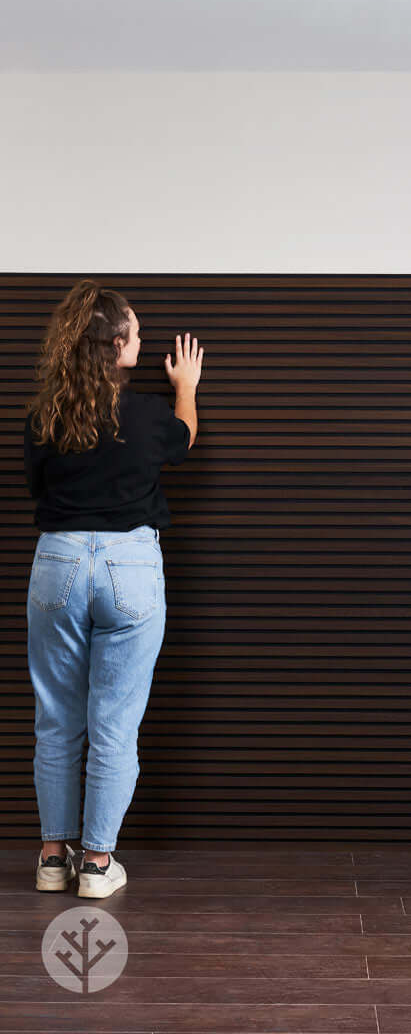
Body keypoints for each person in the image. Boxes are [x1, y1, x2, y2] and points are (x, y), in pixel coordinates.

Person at [24, 278, 203, 898]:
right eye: (134, 330)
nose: (142, 338)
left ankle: (52, 858)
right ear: (115, 341)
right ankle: (97, 865)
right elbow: (183, 444)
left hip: (59, 560)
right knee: (114, 725)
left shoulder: (46, 413)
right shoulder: (151, 413)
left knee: (56, 720)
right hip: (129, 562)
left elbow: (37, 489)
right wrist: (186, 389)